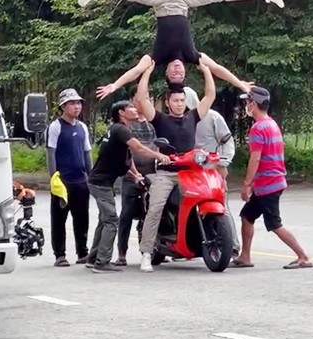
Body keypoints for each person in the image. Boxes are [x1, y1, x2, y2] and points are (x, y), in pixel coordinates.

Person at [77, 0, 284, 98]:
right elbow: (218, 69)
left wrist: (114, 85)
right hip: (184, 1)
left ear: (166, 71)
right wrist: (240, 83)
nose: (177, 70)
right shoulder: (192, 55)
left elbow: (136, 71)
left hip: (162, 3)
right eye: (180, 74)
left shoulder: (157, 57)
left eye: (173, 74)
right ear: (185, 71)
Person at [135, 58, 216, 272]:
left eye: (182, 101)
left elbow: (210, 96)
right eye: (176, 101)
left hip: (191, 171)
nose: (179, 104)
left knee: (215, 195)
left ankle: (229, 246)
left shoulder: (193, 117)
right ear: (169, 103)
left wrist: (205, 69)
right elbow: (142, 99)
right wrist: (147, 72)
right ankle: (147, 252)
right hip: (167, 173)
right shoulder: (160, 119)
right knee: (156, 207)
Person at [231, 86, 313, 270]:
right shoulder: (271, 124)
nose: (245, 106)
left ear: (254, 104)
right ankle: (245, 256)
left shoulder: (258, 128)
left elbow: (255, 158)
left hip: (268, 184)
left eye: (247, 102)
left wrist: (247, 184)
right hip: (271, 182)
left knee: (274, 223)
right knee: (247, 216)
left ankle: (303, 256)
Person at [86, 100, 171, 273]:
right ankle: (102, 262)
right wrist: (158, 155)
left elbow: (126, 159)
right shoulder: (121, 129)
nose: (135, 109)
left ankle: (93, 257)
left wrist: (135, 175)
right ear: (121, 113)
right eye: (130, 107)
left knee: (104, 220)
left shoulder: (119, 130)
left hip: (100, 181)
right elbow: (138, 148)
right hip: (100, 183)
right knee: (111, 220)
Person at [183, 86, 240, 256]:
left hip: (212, 171)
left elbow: (228, 142)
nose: (183, 109)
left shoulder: (212, 117)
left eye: (185, 104)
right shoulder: (179, 121)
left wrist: (223, 163)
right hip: (188, 173)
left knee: (223, 206)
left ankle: (233, 246)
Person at [46, 88, 92, 267]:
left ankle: (82, 252)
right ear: (63, 106)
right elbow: (51, 153)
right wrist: (53, 178)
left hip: (81, 180)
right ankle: (60, 254)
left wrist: (91, 175)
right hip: (63, 181)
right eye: (72, 103)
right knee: (59, 219)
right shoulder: (56, 127)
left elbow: (87, 153)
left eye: (79, 103)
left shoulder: (82, 127)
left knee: (82, 219)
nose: (77, 106)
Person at [115, 87, 157, 266]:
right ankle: (121, 253)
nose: (145, 101)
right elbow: (130, 149)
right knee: (126, 215)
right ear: (133, 100)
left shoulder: (151, 124)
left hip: (151, 175)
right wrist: (134, 173)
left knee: (152, 213)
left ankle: (151, 249)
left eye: (148, 98)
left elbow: (156, 146)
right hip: (131, 176)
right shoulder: (127, 125)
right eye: (141, 98)